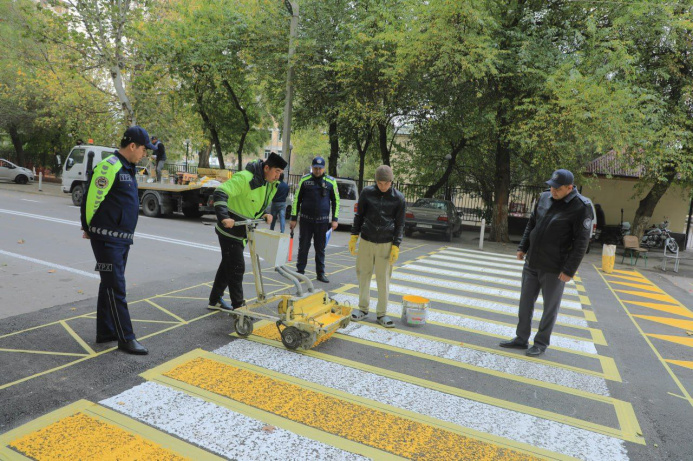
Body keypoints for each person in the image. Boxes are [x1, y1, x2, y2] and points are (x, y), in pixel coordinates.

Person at [500, 169, 593, 356]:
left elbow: (581, 243)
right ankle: (521, 338)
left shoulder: (581, 207)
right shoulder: (543, 198)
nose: (553, 191)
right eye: (551, 186)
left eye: (558, 188)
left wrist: (569, 270)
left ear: (570, 187)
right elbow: (531, 224)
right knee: (525, 303)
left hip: (555, 267)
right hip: (532, 262)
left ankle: (541, 342)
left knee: (550, 308)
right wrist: (522, 247)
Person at [80, 126, 155, 355]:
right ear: (132, 146)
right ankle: (126, 338)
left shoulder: (128, 168)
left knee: (108, 283)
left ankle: (105, 331)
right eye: (143, 149)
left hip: (121, 240)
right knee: (116, 286)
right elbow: (91, 197)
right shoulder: (109, 166)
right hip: (106, 240)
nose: (145, 154)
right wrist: (87, 226)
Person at [207, 152, 287, 311]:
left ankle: (214, 300)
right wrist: (223, 217)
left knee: (227, 265)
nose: (278, 176)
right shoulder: (245, 178)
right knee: (237, 267)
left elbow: (252, 203)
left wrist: (263, 214)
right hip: (229, 231)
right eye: (276, 171)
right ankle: (239, 308)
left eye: (280, 173)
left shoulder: (266, 182)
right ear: (266, 168)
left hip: (242, 231)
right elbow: (220, 192)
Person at [349, 165, 405, 328]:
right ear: (376, 181)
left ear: (391, 181)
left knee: (383, 279)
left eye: (386, 183)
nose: (383, 187)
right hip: (366, 240)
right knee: (363, 275)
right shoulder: (367, 193)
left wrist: (396, 245)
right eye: (380, 183)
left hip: (386, 243)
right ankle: (363, 309)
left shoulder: (398, 198)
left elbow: (400, 224)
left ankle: (382, 313)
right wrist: (354, 236)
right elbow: (359, 216)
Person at [289, 156, 340, 283]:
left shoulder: (331, 182)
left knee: (320, 249)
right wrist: (293, 218)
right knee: (303, 247)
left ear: (324, 168)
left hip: (322, 222)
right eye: (315, 168)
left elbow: (336, 201)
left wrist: (335, 219)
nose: (317, 171)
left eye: (320, 168)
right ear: (312, 167)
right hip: (306, 221)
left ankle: (320, 273)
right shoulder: (305, 180)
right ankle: (300, 272)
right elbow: (296, 200)